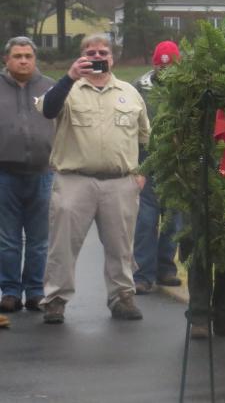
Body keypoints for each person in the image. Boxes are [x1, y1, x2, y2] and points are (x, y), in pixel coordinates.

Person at [37, 33, 150, 323]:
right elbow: (48, 109)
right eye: (91, 52)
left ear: (112, 58)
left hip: (120, 182)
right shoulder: (65, 89)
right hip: (75, 180)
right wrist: (69, 77)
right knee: (62, 245)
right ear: (81, 57)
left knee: (121, 245)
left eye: (103, 52)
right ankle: (56, 300)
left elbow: (145, 137)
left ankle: (122, 297)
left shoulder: (130, 92)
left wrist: (141, 173)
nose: (98, 57)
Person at [0, 37, 55, 313]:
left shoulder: (51, 87)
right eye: (17, 56)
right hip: (5, 174)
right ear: (5, 60)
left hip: (43, 173)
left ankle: (35, 290)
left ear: (35, 59)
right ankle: (9, 291)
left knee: (39, 239)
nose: (23, 60)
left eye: (28, 56)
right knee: (7, 238)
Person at [131, 41, 183, 295]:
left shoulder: (186, 89)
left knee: (173, 220)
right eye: (161, 66)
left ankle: (166, 267)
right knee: (146, 220)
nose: (165, 71)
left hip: (176, 164)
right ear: (154, 65)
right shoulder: (138, 88)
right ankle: (142, 273)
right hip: (147, 162)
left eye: (170, 66)